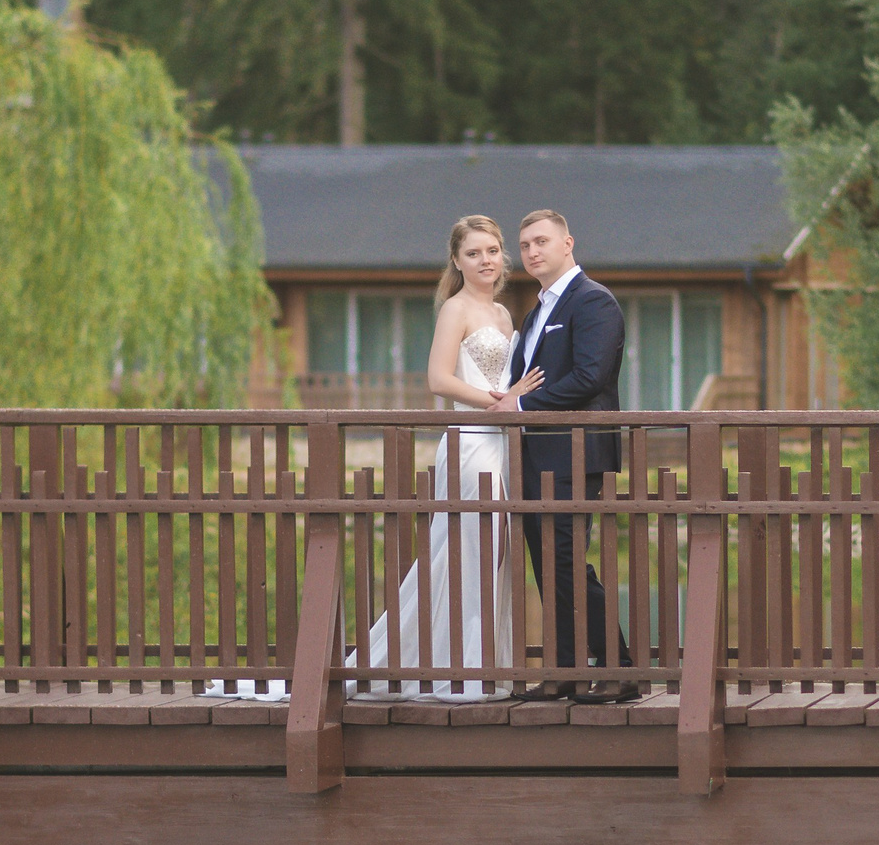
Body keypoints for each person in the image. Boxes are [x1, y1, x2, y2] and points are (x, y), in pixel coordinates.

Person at [208, 215, 541, 702]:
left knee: (493, 556)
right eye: (473, 253)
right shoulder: (456, 309)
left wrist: (512, 402)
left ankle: (483, 666)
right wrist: (502, 400)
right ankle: (458, 671)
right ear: (457, 261)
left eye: (491, 251)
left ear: (502, 255)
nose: (485, 261)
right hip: (471, 442)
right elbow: (438, 380)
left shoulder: (504, 315)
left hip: (501, 445)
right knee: (465, 552)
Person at [508, 208, 636, 704]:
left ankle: (620, 669)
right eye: (525, 245)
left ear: (568, 244)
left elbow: (590, 376)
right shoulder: (535, 312)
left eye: (541, 241)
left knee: (565, 559)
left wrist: (520, 407)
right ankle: (564, 671)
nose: (532, 251)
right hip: (535, 453)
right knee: (547, 563)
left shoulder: (593, 300)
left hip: (575, 450)